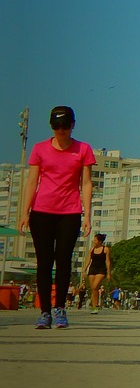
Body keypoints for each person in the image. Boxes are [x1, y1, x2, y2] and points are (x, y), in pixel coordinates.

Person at [17, 106, 96, 330]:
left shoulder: (83, 149)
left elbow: (86, 183)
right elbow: (32, 181)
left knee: (63, 261)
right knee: (44, 263)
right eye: (56, 126)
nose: (61, 131)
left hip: (69, 212)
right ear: (52, 126)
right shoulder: (39, 149)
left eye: (65, 126)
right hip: (42, 211)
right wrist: (25, 212)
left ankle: (60, 309)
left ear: (73, 125)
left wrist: (87, 214)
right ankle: (44, 312)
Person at [83, 232, 111, 313]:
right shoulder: (92, 249)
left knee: (95, 287)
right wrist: (84, 270)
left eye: (95, 240)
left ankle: (96, 305)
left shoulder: (105, 249)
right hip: (92, 269)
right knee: (93, 289)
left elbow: (108, 261)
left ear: (100, 241)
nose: (94, 241)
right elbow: (88, 260)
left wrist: (109, 273)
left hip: (101, 270)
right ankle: (94, 306)